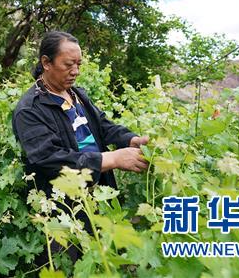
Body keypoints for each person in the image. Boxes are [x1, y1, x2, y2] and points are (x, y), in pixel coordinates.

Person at [11, 31, 148, 261]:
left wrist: (131, 140)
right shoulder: (30, 110)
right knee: (70, 262)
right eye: (68, 65)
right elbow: (49, 158)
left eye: (78, 64)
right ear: (46, 62)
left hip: (98, 192)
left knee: (104, 258)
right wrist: (113, 159)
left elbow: (102, 126)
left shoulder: (77, 94)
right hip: (64, 208)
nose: (75, 71)